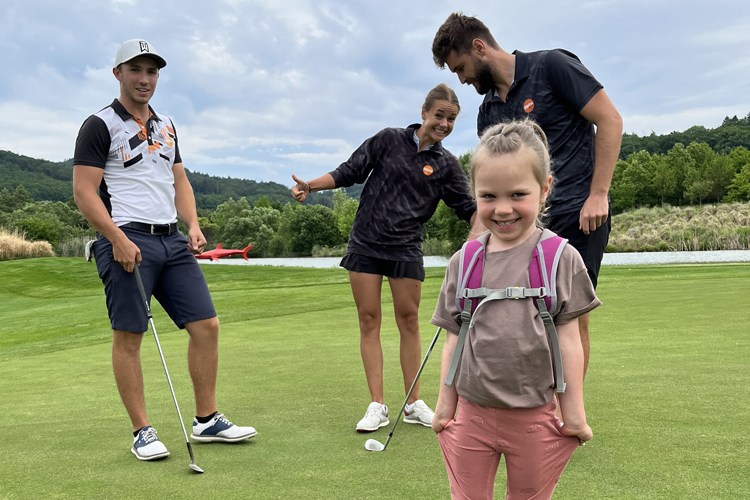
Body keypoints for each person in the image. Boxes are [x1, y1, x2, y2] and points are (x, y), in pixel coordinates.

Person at [73, 39, 257, 461]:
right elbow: (84, 192)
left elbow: (180, 180)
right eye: (135, 70)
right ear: (118, 73)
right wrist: (116, 238)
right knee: (129, 335)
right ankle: (142, 431)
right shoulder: (99, 125)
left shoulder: (167, 124)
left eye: (152, 71)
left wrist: (193, 224)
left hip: (171, 240)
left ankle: (206, 419)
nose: (144, 79)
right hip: (125, 238)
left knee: (206, 326)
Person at [432, 13, 623, 375]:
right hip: (522, 225)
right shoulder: (488, 111)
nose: (462, 79)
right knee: (523, 312)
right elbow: (491, 186)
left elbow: (610, 120)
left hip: (578, 213)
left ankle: (567, 403)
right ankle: (531, 396)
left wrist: (598, 194)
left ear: (479, 47)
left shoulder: (551, 66)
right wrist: (472, 247)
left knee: (569, 318)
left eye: (460, 68)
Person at [291, 83, 481, 432]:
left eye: (451, 119)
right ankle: (377, 405)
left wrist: (499, 229)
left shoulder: (446, 165)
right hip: (366, 243)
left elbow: (469, 209)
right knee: (369, 320)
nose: (444, 124)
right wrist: (310, 186)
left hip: (406, 248)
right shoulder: (388, 139)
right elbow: (349, 171)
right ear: (424, 113)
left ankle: (413, 403)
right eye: (439, 115)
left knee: (409, 321)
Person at [431, 120, 600, 500]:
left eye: (518, 194)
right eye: (488, 196)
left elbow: (570, 342)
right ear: (474, 193)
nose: (503, 208)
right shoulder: (464, 261)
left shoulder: (561, 258)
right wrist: (444, 406)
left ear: (545, 189)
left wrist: (573, 412)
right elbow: (453, 340)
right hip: (471, 414)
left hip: (536, 415)